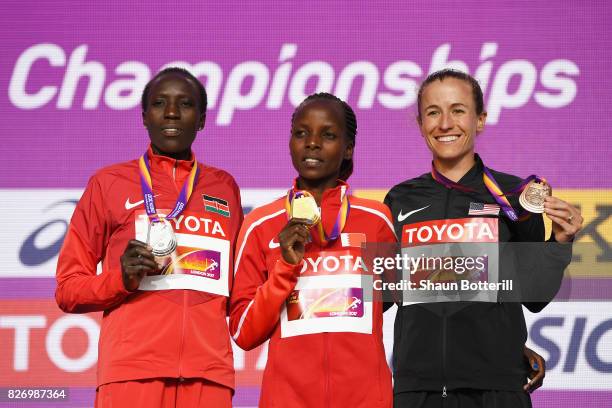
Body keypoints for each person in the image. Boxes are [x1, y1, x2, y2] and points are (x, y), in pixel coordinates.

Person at [384, 69, 583, 407]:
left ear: (480, 120)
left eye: (458, 110)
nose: (445, 123)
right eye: (433, 112)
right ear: (421, 124)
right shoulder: (400, 199)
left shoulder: (513, 196)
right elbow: (382, 296)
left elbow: (534, 296)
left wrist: (559, 244)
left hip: (496, 389)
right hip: (417, 391)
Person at [55, 67, 243, 408]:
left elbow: (239, 287)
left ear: (201, 120)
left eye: (185, 104)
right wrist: (120, 280)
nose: (171, 112)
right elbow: (67, 289)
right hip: (131, 374)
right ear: (144, 117)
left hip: (208, 376)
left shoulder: (224, 188)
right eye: (160, 103)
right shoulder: (108, 183)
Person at [229, 93, 395, 407]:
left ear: (348, 149)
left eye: (328, 135)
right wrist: (285, 270)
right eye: (301, 133)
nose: (312, 143)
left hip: (367, 400)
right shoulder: (260, 225)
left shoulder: (377, 221)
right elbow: (243, 332)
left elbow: (392, 299)